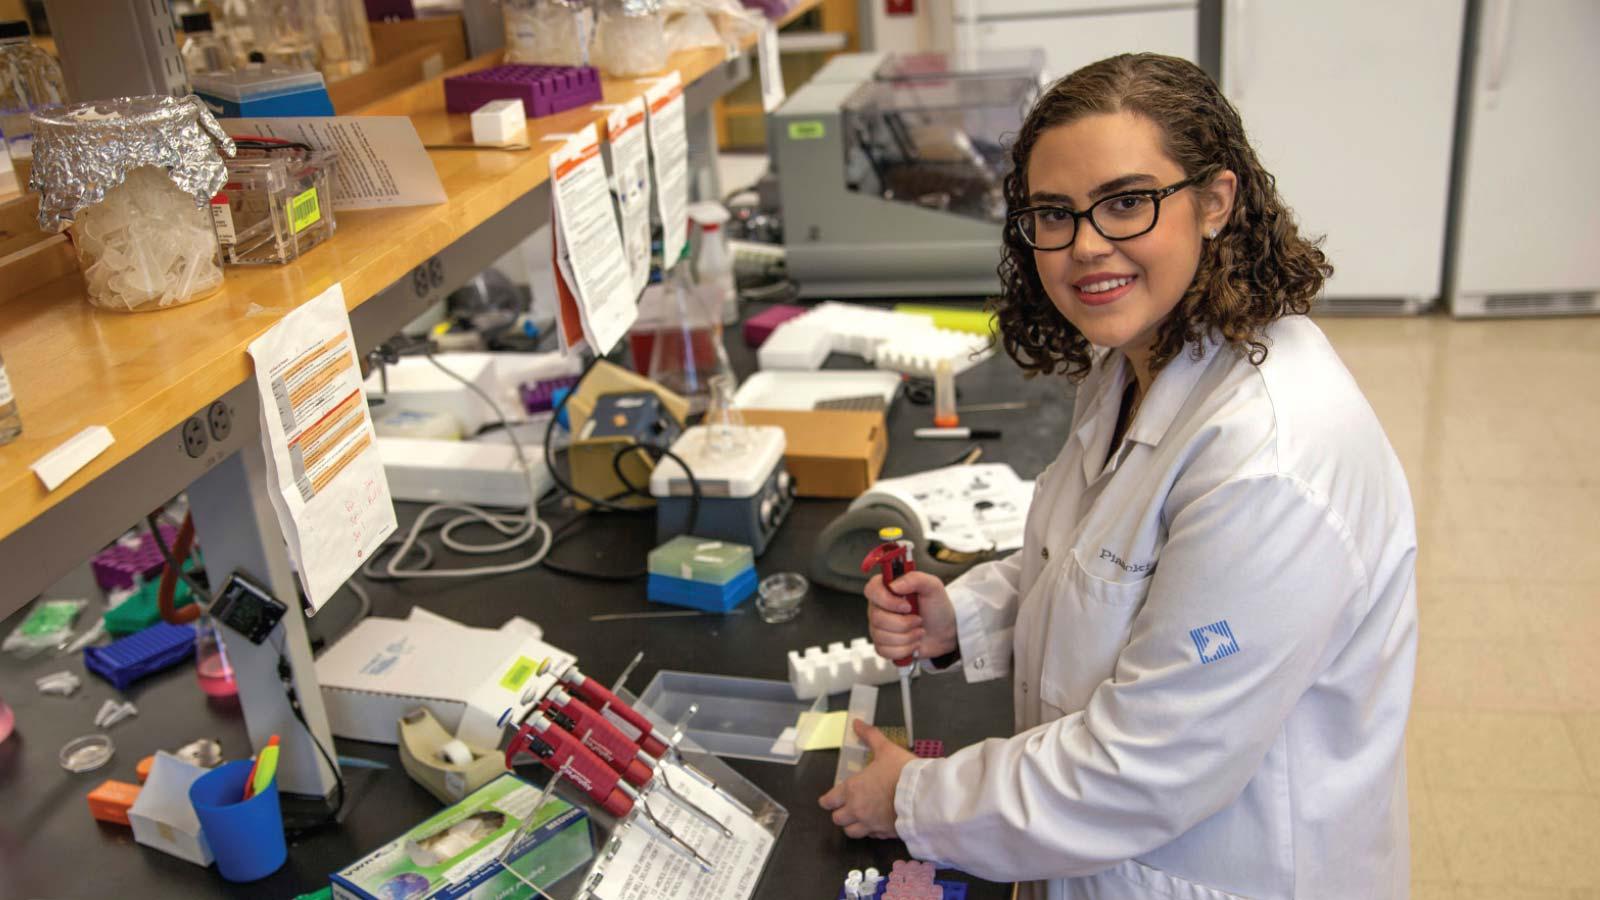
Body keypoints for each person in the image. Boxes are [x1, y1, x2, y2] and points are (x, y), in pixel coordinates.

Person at [819, 53, 1418, 900]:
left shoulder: (1269, 465)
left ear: (1216, 202)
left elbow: (1140, 771)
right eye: (1053, 214)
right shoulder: (1143, 356)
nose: (1085, 246)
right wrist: (967, 612)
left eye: (1127, 202)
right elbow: (1092, 566)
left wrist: (911, 798)